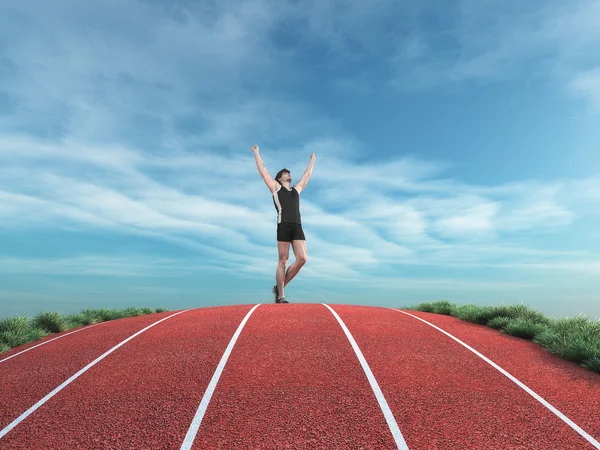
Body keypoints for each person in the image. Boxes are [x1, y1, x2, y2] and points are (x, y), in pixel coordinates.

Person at [251, 144, 315, 303]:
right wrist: (256, 152)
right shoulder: (275, 187)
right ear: (279, 177)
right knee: (283, 260)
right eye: (285, 173)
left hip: (297, 226)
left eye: (289, 173)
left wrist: (312, 161)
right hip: (284, 225)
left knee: (302, 258)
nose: (288, 174)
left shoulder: (296, 190)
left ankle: (279, 287)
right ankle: (281, 296)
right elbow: (262, 170)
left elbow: (306, 176)